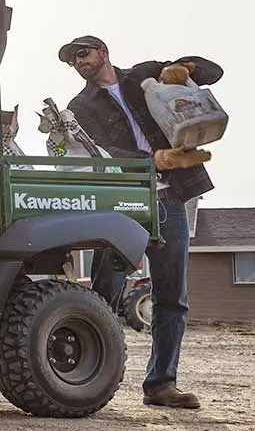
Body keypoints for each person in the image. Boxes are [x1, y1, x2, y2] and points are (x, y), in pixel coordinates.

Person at [59, 34, 222, 409]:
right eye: (72, 60)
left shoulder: (145, 75)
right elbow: (99, 151)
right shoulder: (79, 106)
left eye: (83, 53)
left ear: (103, 52)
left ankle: (161, 385)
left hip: (171, 196)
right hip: (125, 200)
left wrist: (187, 68)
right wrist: (152, 162)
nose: (78, 62)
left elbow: (213, 74)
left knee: (172, 297)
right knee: (104, 291)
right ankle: (86, 376)